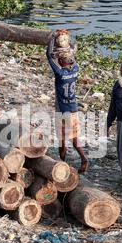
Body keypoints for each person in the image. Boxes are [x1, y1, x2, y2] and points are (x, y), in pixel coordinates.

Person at [46, 30, 89, 173]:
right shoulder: (75, 70)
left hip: (62, 110)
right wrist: (69, 43)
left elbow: (49, 55)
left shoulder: (60, 73)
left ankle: (63, 163)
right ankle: (83, 158)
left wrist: (53, 37)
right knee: (75, 137)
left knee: (62, 139)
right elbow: (73, 55)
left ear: (61, 62)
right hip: (74, 108)